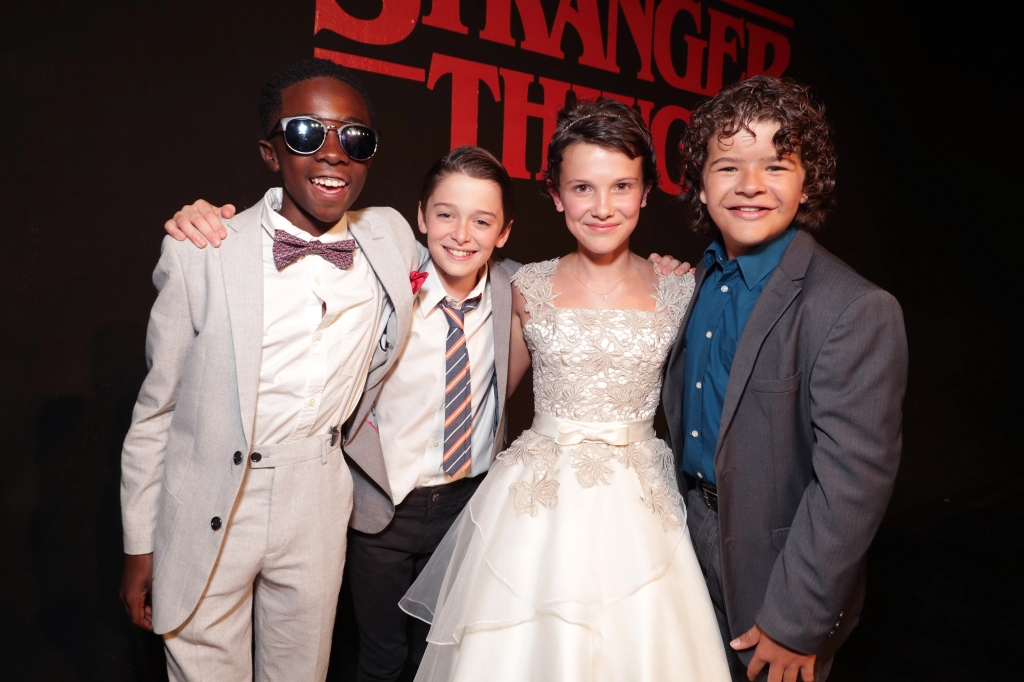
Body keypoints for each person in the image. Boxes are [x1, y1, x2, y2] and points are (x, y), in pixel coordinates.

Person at [162, 144, 690, 681]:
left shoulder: (519, 288)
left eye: (482, 221)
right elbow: (308, 234)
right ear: (420, 217)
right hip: (382, 509)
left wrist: (664, 269)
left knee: (446, 654)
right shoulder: (384, 279)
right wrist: (203, 218)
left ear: (504, 232)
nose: (462, 234)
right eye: (446, 215)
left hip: (472, 504)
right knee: (381, 657)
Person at [398, 98, 732, 681]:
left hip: (640, 509)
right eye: (582, 188)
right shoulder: (525, 284)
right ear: (555, 195)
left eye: (621, 186)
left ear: (646, 193)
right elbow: (483, 384)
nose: (602, 207)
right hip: (536, 508)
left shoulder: (683, 290)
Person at [118, 57, 421, 682]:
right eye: (308, 133)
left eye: (354, 138)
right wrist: (138, 544)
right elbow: (157, 412)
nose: (333, 153)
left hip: (318, 492)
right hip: (209, 494)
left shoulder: (389, 237)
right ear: (269, 151)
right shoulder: (201, 248)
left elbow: (474, 253)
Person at [662, 76, 908, 682]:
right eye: (727, 167)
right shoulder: (693, 282)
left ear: (807, 183)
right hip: (683, 547)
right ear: (700, 183)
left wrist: (798, 619)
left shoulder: (853, 307)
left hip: (777, 575)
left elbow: (853, 483)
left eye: (776, 165)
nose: (750, 186)